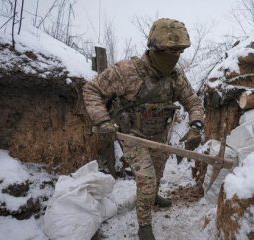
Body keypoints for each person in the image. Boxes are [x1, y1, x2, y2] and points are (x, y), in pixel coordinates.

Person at [82, 18, 205, 240]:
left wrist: (196, 125)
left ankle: (154, 196)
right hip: (132, 135)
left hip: (159, 135)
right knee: (147, 178)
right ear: (155, 47)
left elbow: (193, 101)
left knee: (158, 173)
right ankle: (144, 225)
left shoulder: (176, 77)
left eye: (179, 51)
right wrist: (102, 121)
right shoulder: (127, 71)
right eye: (170, 50)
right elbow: (92, 90)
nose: (175, 56)